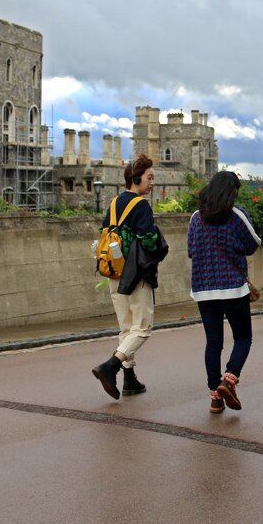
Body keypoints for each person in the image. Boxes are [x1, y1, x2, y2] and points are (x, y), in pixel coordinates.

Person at [91, 154, 168, 400]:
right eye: (149, 177)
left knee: (126, 327)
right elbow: (148, 239)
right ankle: (111, 366)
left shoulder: (113, 203)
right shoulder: (141, 205)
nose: (152, 182)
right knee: (143, 327)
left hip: (113, 272)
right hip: (136, 274)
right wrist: (156, 238)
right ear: (136, 178)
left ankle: (130, 379)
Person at [187, 171, 261, 414]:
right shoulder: (237, 215)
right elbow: (253, 244)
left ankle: (214, 398)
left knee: (213, 343)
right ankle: (228, 380)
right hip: (232, 287)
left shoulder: (196, 218)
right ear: (232, 191)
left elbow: (191, 251)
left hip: (203, 289)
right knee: (242, 338)